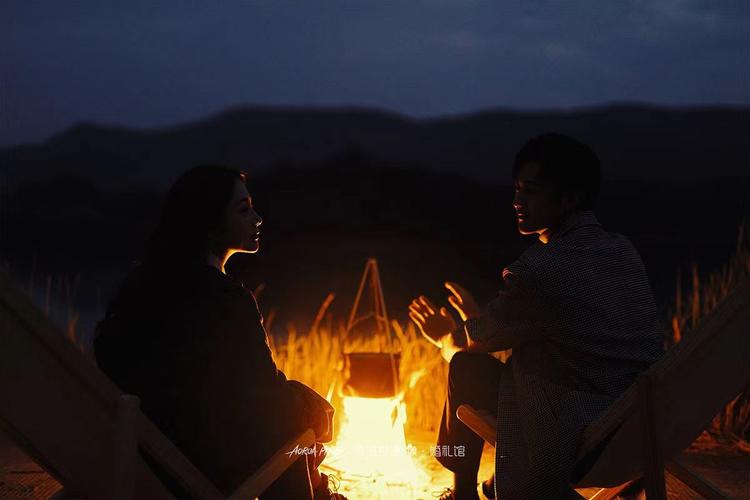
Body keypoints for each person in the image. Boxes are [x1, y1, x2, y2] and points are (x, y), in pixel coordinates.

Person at [410, 133, 664, 499]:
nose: (516, 201)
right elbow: (544, 330)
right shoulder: (621, 251)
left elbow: (476, 339)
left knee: (464, 367)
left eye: (530, 191)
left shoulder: (545, 269)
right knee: (477, 359)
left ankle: (462, 493)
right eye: (516, 189)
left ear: (570, 198)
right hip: (631, 425)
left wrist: (445, 335)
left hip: (572, 429)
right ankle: (484, 486)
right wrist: (480, 326)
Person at [94, 165, 345, 499]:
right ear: (210, 226)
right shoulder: (224, 301)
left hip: (147, 458)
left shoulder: (142, 291)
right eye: (243, 210)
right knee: (294, 440)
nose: (257, 219)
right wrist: (316, 411)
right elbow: (267, 404)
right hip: (198, 466)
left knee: (294, 437)